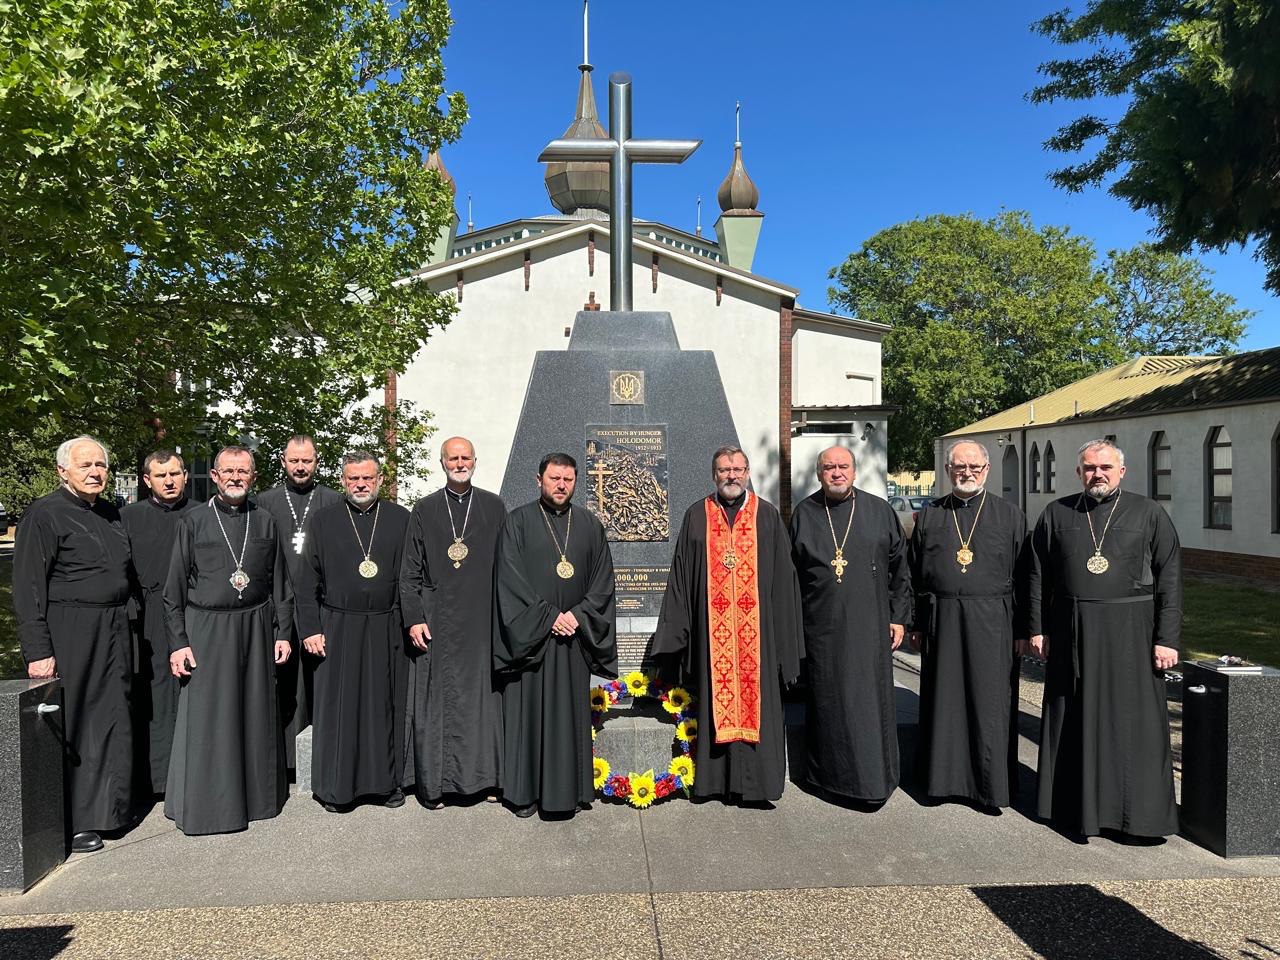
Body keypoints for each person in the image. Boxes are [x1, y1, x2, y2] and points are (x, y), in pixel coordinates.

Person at [1029, 439, 1181, 838]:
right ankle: (1073, 809)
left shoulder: (1149, 513)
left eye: (1105, 467)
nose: (1097, 474)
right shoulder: (1056, 513)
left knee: (1130, 723)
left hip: (1131, 632)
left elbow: (1170, 578)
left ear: (1122, 471)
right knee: (1073, 717)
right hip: (1072, 630)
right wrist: (1037, 628)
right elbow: (1037, 576)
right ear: (1079, 472)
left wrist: (1167, 638)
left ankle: (1133, 817)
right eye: (1090, 468)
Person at [652, 445, 803, 805]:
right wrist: (676, 639)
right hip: (713, 638)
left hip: (758, 640)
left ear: (747, 472)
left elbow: (785, 584)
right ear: (714, 474)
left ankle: (757, 786)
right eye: (724, 470)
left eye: (737, 469)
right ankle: (716, 783)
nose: (731, 476)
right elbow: (681, 578)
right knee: (713, 703)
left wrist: (786, 645)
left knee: (760, 705)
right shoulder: (697, 515)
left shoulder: (766, 516)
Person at [14, 436, 136, 852]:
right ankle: (74, 819)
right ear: (62, 470)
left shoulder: (109, 512)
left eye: (101, 465)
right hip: (71, 627)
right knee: (78, 720)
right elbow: (28, 587)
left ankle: (111, 809)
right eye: (85, 465)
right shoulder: (45, 513)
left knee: (112, 716)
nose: (95, 472)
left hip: (113, 627)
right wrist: (38, 651)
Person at [163, 445, 293, 835]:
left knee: (254, 713)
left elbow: (281, 584)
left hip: (256, 627)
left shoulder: (266, 521)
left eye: (243, 471)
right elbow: (173, 591)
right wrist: (178, 642)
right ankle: (210, 806)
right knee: (210, 717)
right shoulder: (193, 521)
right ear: (215, 476)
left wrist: (283, 632)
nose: (236, 477)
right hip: (207, 628)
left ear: (253, 477)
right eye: (228, 471)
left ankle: (255, 801)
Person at [494, 452, 617, 818]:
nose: (561, 485)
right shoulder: (518, 522)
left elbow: (603, 582)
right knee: (529, 718)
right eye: (554, 478)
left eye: (568, 479)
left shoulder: (590, 525)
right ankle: (526, 795)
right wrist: (549, 617)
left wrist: (578, 615)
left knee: (568, 719)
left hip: (574, 640)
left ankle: (572, 793)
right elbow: (509, 580)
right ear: (539, 480)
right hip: (532, 642)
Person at [908, 440, 1026, 810]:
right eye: (959, 467)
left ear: (987, 469)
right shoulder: (930, 515)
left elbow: (1027, 578)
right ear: (948, 471)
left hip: (994, 622)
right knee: (943, 701)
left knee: (989, 704)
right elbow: (914, 575)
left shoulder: (1010, 515)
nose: (967, 473)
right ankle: (941, 782)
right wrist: (915, 623)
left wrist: (1025, 629)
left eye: (974, 466)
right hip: (942, 621)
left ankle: (988, 787)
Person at [790, 446, 911, 806]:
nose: (837, 472)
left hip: (871, 627)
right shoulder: (804, 513)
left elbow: (900, 569)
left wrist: (898, 616)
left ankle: (874, 781)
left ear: (854, 472)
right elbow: (792, 578)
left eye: (843, 466)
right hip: (822, 629)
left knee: (869, 705)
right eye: (829, 467)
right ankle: (828, 779)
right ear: (819, 474)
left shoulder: (879, 511)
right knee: (829, 704)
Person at [294, 450, 410, 812]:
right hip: (337, 626)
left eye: (367, 478)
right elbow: (306, 581)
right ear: (343, 481)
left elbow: (411, 577)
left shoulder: (400, 519)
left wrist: (412, 620)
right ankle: (337, 789)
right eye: (353, 478)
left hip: (386, 625)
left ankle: (386, 785)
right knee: (339, 710)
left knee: (383, 707)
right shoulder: (323, 521)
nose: (361, 484)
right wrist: (310, 628)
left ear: (380, 480)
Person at [400, 436, 506, 808]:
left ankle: (488, 779)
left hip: (482, 622)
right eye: (452, 458)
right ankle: (437, 785)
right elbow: (409, 572)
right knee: (439, 704)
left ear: (475, 461)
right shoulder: (425, 508)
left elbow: (508, 568)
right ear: (442, 463)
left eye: (465, 458)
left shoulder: (493, 506)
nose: (459, 463)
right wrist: (414, 618)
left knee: (483, 703)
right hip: (437, 621)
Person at [257, 434, 342, 771]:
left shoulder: (333, 501)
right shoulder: (265, 502)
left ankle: (322, 758)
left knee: (320, 682)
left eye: (307, 460)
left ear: (317, 462)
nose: (301, 466)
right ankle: (285, 762)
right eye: (294, 460)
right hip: (279, 604)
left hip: (321, 607)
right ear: (283, 461)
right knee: (283, 684)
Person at [122, 449, 198, 797]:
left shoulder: (201, 514)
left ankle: (191, 773)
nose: (169, 481)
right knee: (153, 696)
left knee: (190, 691)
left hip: (192, 612)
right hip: (149, 615)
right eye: (161, 475)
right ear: (146, 480)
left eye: (175, 474)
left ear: (185, 476)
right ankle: (155, 780)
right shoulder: (128, 517)